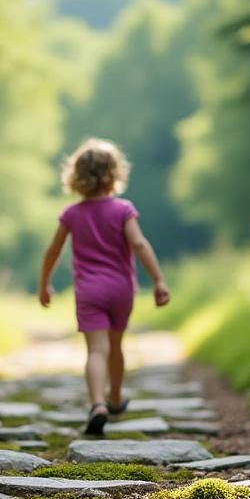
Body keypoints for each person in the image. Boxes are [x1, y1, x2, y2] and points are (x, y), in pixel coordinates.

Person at [39, 138, 170, 436]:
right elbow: (139, 244)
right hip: (121, 290)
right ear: (114, 174)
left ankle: (97, 403)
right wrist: (159, 280)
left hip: (89, 291)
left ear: (76, 177)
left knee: (97, 350)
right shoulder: (123, 209)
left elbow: (53, 250)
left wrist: (45, 283)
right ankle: (115, 398)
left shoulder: (72, 214)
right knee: (116, 345)